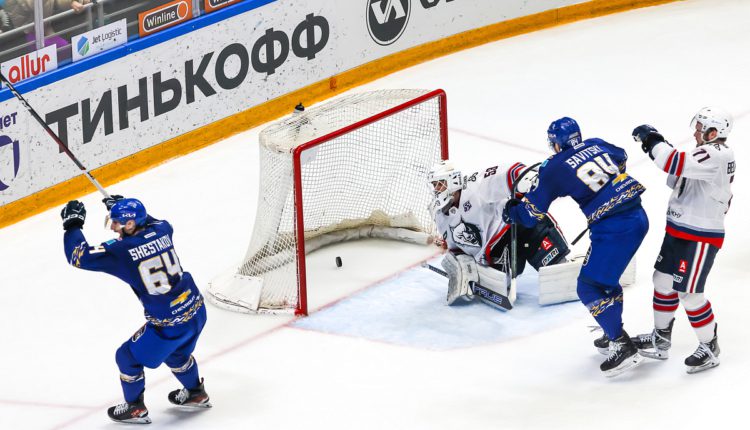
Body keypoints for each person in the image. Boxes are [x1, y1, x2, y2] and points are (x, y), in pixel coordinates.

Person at [503, 117, 649, 377]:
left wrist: (512, 211)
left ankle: (622, 345)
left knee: (589, 286)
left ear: (556, 143)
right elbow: (622, 157)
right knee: (604, 280)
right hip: (637, 216)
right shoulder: (596, 144)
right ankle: (613, 332)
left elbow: (531, 215)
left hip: (615, 229)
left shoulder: (554, 167)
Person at [61, 196, 211, 424]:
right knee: (177, 354)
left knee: (126, 357)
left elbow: (77, 256)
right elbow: (151, 221)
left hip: (169, 325)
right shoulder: (163, 229)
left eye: (116, 222)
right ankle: (196, 393)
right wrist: (124, 208)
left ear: (130, 224)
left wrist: (72, 224)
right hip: (196, 310)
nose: (113, 227)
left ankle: (134, 408)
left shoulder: (120, 251)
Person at [629, 107, 735, 374]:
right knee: (662, 282)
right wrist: (660, 147)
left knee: (689, 294)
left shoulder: (717, 154)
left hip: (700, 236)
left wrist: (652, 139)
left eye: (700, 129)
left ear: (714, 132)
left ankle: (710, 347)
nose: (695, 133)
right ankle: (660, 338)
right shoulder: (704, 152)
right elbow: (675, 174)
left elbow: (672, 162)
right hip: (679, 230)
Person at [428, 160, 570, 307]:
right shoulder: (439, 216)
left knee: (531, 220)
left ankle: (559, 263)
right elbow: (457, 249)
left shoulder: (475, 185)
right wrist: (463, 269)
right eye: (434, 185)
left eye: (440, 184)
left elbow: (506, 174)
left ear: (453, 180)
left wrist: (525, 177)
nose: (436, 190)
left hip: (512, 228)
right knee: (500, 284)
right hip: (494, 254)